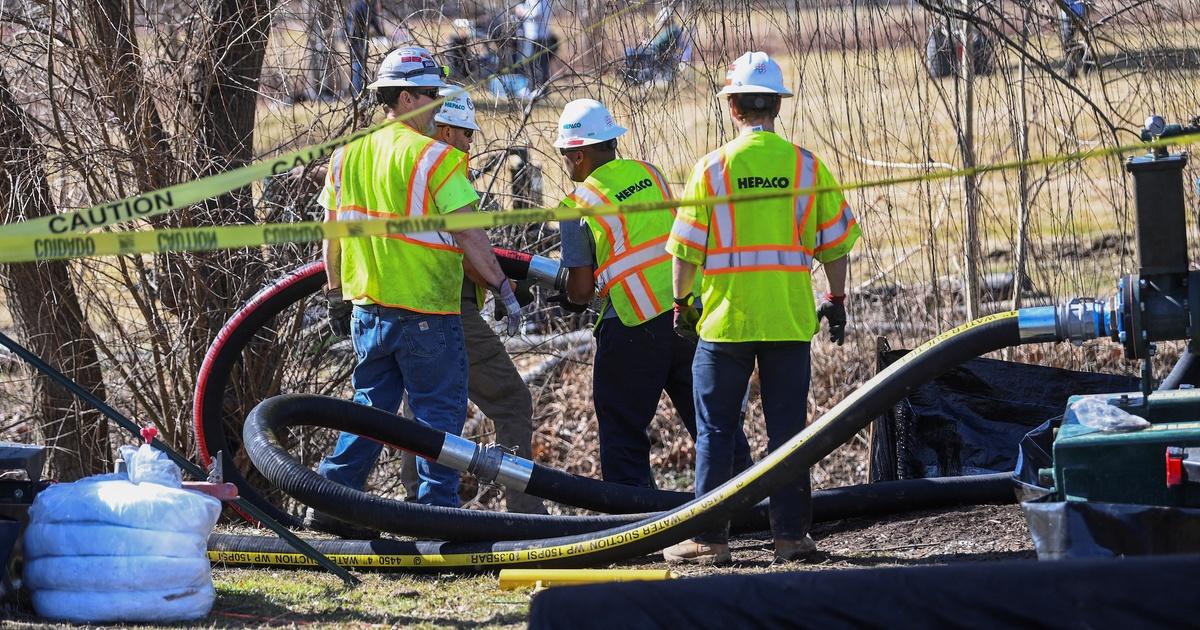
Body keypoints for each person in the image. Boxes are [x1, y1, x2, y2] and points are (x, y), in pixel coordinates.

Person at [309, 47, 526, 536]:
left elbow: (331, 234)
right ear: (406, 98)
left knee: (370, 410)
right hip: (426, 311)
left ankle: (331, 501)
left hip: (368, 310)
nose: (436, 106)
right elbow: (469, 234)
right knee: (438, 420)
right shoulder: (437, 158)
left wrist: (335, 294)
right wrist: (502, 288)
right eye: (431, 96)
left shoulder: (347, 155)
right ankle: (435, 519)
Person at [661, 51, 860, 565]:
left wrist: (682, 305)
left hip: (726, 323)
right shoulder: (805, 165)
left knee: (717, 431)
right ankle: (791, 538)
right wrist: (836, 301)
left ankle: (710, 540)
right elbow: (835, 245)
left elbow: (685, 252)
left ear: (732, 108)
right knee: (789, 433)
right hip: (789, 320)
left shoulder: (712, 169)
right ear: (776, 105)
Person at [555, 98, 750, 489]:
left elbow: (579, 289)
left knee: (623, 428)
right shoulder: (649, 173)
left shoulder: (575, 205)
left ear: (577, 155)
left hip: (632, 325)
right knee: (710, 419)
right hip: (686, 314)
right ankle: (749, 498)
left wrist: (564, 292)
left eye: (564, 154)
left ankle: (633, 523)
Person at [425, 87, 547, 514]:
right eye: (465, 135)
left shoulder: (400, 164)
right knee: (512, 400)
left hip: (405, 307)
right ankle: (525, 512)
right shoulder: (442, 166)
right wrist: (504, 288)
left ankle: (421, 508)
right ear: (444, 130)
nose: (469, 144)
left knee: (426, 412)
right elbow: (465, 245)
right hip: (447, 308)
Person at [346, 0, 384, 96]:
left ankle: (359, 91)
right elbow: (373, 21)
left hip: (356, 39)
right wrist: (381, 33)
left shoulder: (357, 4)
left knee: (358, 65)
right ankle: (358, 92)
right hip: (356, 40)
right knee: (358, 65)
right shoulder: (364, 5)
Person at [513, 0, 552, 88]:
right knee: (529, 63)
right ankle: (532, 87)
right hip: (530, 36)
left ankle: (540, 88)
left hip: (538, 37)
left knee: (539, 64)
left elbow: (535, 13)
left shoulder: (542, 1)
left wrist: (521, 12)